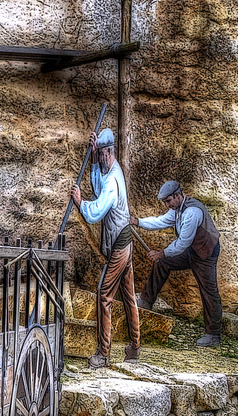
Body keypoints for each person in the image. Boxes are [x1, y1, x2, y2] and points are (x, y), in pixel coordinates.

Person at [71, 128, 140, 368]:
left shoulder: (112, 180)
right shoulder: (112, 168)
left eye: (100, 155)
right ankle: (135, 347)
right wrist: (91, 157)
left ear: (108, 153)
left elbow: (97, 209)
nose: (99, 159)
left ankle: (103, 354)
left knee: (104, 295)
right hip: (125, 242)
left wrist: (80, 203)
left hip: (120, 245)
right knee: (129, 296)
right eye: (97, 155)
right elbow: (98, 183)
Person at [131, 180, 223, 348]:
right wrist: (138, 222)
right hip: (191, 250)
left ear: (177, 195)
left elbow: (182, 243)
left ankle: (213, 334)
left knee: (209, 292)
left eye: (168, 201)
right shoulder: (177, 208)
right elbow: (161, 221)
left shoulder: (192, 212)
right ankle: (146, 301)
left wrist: (160, 253)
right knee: (162, 263)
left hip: (205, 253)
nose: (167, 205)